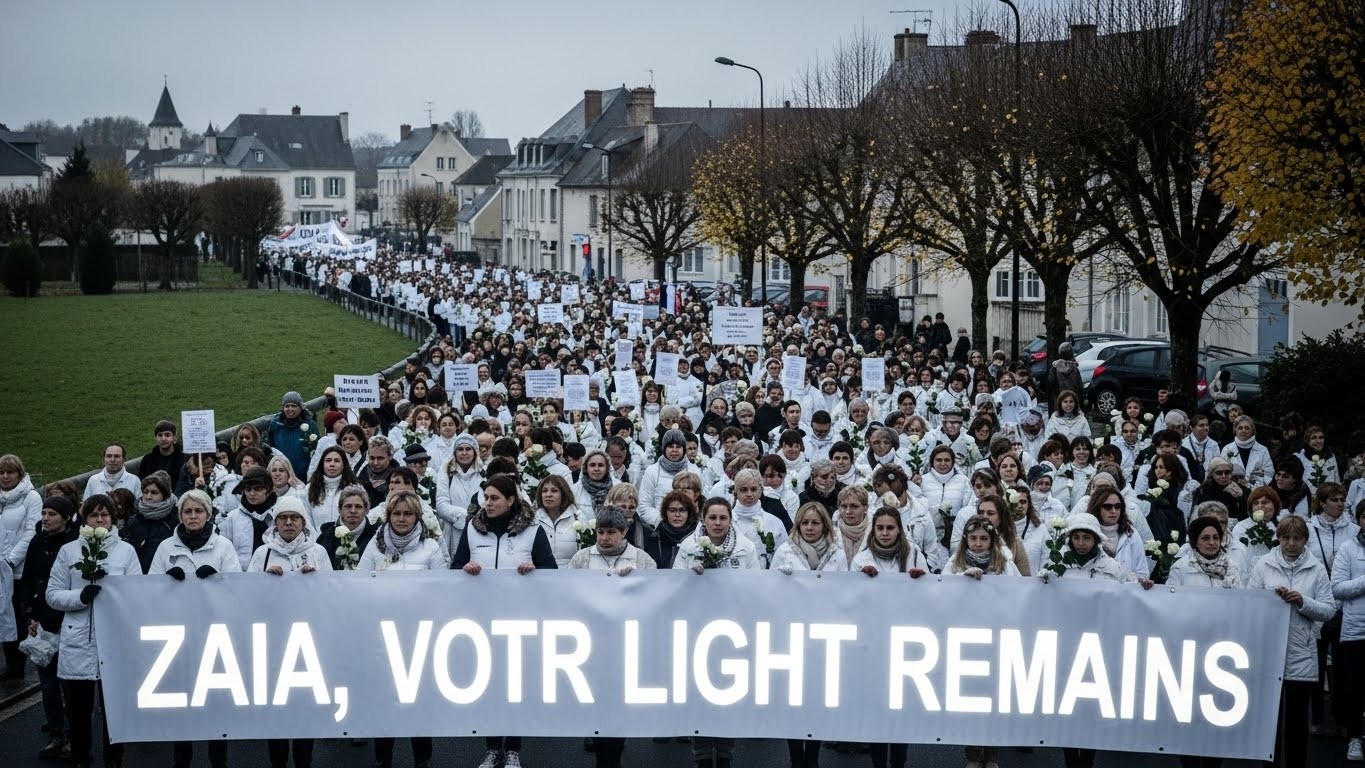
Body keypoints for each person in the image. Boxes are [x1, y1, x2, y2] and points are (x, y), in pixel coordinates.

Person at [452, 475, 556, 768]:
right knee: (489, 686)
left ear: (511, 501)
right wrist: (466, 568)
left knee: (514, 688)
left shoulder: (533, 531)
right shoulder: (472, 529)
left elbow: (552, 573)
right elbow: (454, 569)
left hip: (519, 620)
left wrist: (534, 570)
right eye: (486, 497)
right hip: (481, 619)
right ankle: (491, 747)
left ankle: (513, 748)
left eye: (494, 498)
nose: (488, 503)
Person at [149, 490, 242, 768]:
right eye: (187, 512)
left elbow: (237, 588)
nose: (193, 516)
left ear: (208, 514)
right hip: (179, 637)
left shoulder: (223, 546)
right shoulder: (166, 548)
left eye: (198, 511)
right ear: (180, 515)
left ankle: (218, 760)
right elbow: (149, 589)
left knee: (215, 703)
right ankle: (182, 760)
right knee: (183, 704)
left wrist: (217, 580)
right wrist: (166, 582)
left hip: (214, 636)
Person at [47, 495, 142, 768]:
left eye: (104, 515)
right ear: (84, 519)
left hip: (114, 639)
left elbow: (136, 594)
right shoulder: (69, 551)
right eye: (93, 515)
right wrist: (81, 596)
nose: (99, 520)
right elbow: (53, 595)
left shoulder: (126, 552)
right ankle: (80, 758)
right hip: (79, 639)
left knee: (114, 710)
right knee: (79, 711)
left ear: (113, 518)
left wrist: (110, 594)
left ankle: (114, 759)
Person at [1247, 516, 1336, 768]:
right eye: (1286, 537)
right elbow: (1249, 603)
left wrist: (1302, 601)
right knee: (1269, 725)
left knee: (1297, 724)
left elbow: (1329, 610)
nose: (1291, 543)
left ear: (1305, 540)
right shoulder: (1263, 564)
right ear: (1279, 538)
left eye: (1297, 538)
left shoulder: (1316, 568)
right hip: (1268, 652)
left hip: (1301, 654)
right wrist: (1269, 598)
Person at [245, 495, 327, 768]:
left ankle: (305, 761)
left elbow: (333, 596)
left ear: (304, 523)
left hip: (308, 642)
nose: (288, 522)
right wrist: (264, 580)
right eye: (283, 518)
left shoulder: (318, 552)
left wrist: (314, 582)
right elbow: (246, 597)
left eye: (294, 518)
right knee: (276, 710)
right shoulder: (262, 553)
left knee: (305, 709)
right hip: (273, 643)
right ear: (275, 523)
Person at [20, 495, 78, 758]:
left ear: (65, 518)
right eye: (44, 513)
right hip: (42, 622)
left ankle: (74, 737)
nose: (45, 518)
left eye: (52, 514)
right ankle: (57, 734)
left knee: (70, 686)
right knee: (48, 685)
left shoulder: (76, 545)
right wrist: (30, 615)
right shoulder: (37, 541)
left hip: (68, 622)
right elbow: (30, 579)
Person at [1306, 483, 1358, 739]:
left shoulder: (1355, 530)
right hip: (1316, 602)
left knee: (1341, 667)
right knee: (1315, 664)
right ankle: (1315, 717)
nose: (1340, 503)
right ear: (1322, 503)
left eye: (1342, 499)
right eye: (1334, 500)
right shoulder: (1308, 528)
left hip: (1344, 606)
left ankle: (1341, 718)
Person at [0, 453, 42, 678]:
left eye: (10, 472)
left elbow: (30, 533)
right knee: (2, 616)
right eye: (2, 472)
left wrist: (10, 560)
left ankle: (18, 668)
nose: (5, 476)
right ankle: (8, 663)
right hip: (0, 571)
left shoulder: (31, 497)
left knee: (17, 617)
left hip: (18, 570)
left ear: (19, 474)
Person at [1329, 500, 1365, 762]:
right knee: (1354, 687)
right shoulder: (1348, 549)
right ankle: (1355, 738)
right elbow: (1338, 589)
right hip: (1356, 629)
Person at [121, 471, 180, 573]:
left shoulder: (175, 520)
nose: (148, 496)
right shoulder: (133, 520)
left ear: (164, 495)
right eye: (145, 491)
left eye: (154, 492)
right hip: (136, 576)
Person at [771, 501, 849, 574]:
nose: (809, 528)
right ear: (798, 525)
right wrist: (779, 575)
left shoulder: (837, 553)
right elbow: (772, 584)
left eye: (815, 523)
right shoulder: (784, 551)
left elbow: (844, 586)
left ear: (825, 526)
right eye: (804, 523)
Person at [1166, 516, 1242, 589]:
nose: (1212, 542)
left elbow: (1239, 598)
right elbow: (1171, 598)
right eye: (1205, 538)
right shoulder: (1180, 568)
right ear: (1195, 542)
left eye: (1215, 537)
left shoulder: (1231, 566)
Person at [316, 485, 378, 571]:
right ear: (340, 509)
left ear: (366, 510)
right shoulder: (325, 538)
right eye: (348, 506)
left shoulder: (376, 537)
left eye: (358, 507)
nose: (353, 511)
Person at [267, 391, 319, 479]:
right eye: (287, 406)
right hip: (281, 474)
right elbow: (271, 445)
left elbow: (316, 450)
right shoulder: (275, 424)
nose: (290, 409)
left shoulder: (310, 425)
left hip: (304, 475)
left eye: (293, 406)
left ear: (300, 408)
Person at [138, 419, 187, 486]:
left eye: (167, 435)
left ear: (174, 438)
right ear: (156, 438)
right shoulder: (147, 460)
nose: (163, 439)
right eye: (160, 435)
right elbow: (143, 483)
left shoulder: (184, 459)